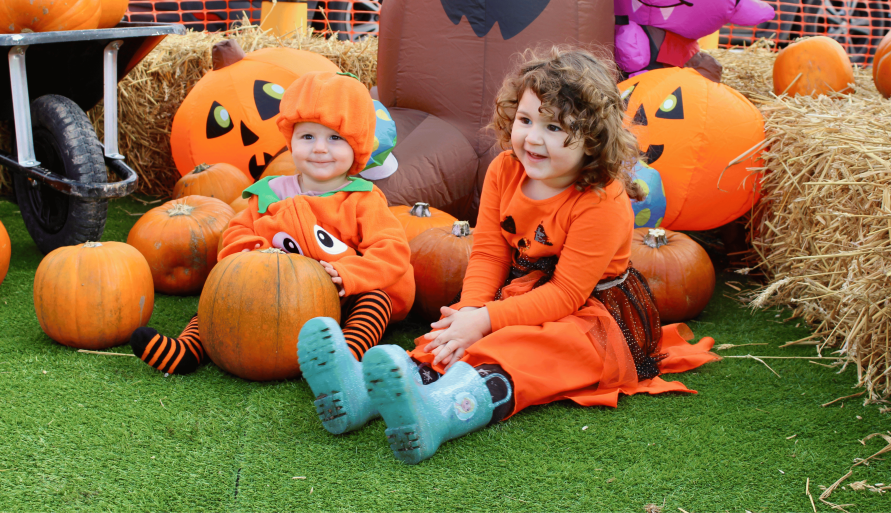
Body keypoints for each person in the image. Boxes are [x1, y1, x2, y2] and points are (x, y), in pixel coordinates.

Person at [296, 46, 719, 464]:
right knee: (447, 340)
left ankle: (440, 414)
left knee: (523, 348)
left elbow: (567, 295)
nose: (532, 138)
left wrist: (486, 321)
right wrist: (470, 312)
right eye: (525, 119)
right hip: (522, 293)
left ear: (593, 138)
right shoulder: (504, 169)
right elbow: (487, 254)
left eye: (554, 128)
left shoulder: (600, 200)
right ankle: (359, 398)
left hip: (591, 315)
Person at [131, 72, 415, 436]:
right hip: (277, 296)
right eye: (307, 136)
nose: (320, 148)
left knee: (375, 302)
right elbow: (235, 235)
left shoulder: (362, 200)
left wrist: (349, 276)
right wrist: (253, 262)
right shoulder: (269, 192)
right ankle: (187, 349)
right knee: (222, 297)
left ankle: (343, 359)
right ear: (290, 139)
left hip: (341, 295)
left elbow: (391, 253)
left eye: (335, 139)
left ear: (357, 148)